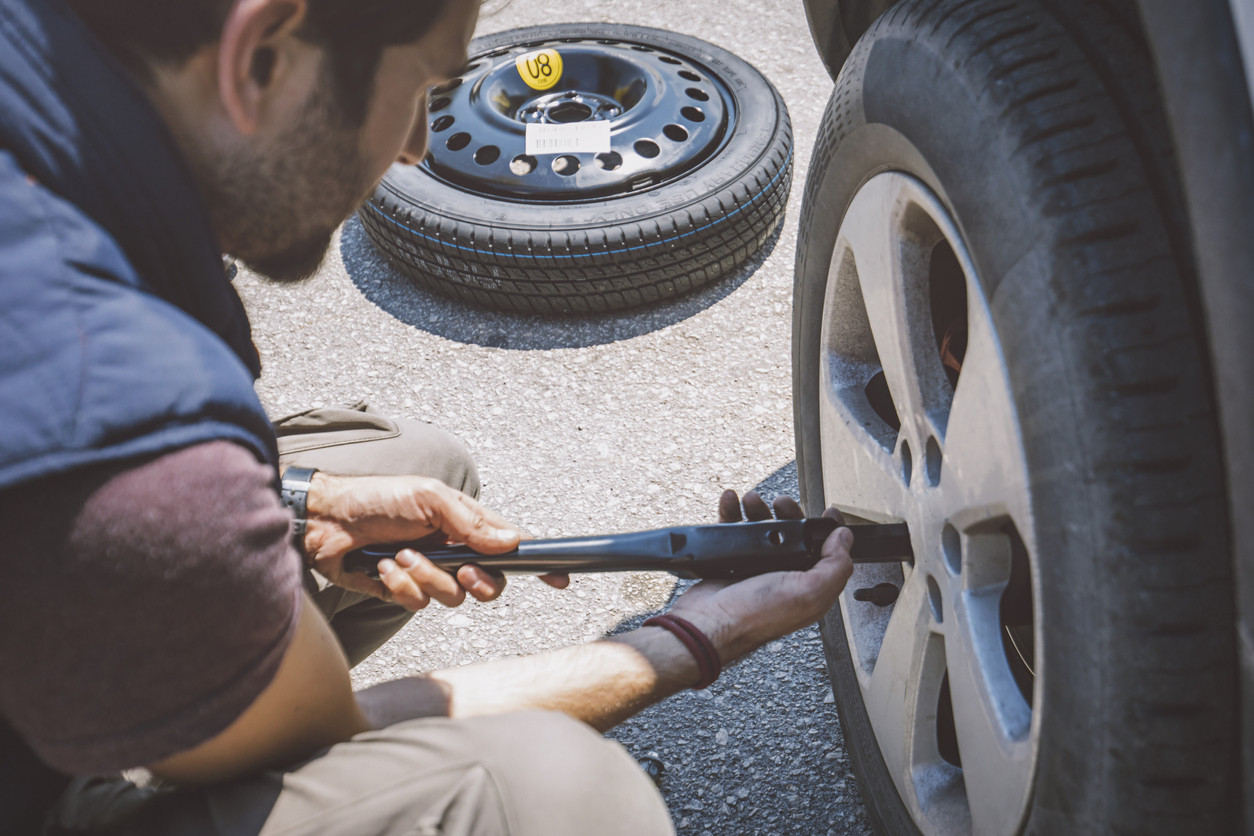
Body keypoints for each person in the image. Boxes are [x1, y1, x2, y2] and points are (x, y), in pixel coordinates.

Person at [0, 0, 855, 833]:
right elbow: (333, 732)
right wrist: (689, 637)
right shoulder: (105, 406)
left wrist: (301, 499)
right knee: (546, 795)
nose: (414, 146)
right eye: (420, 87)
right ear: (260, 57)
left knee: (414, 465)